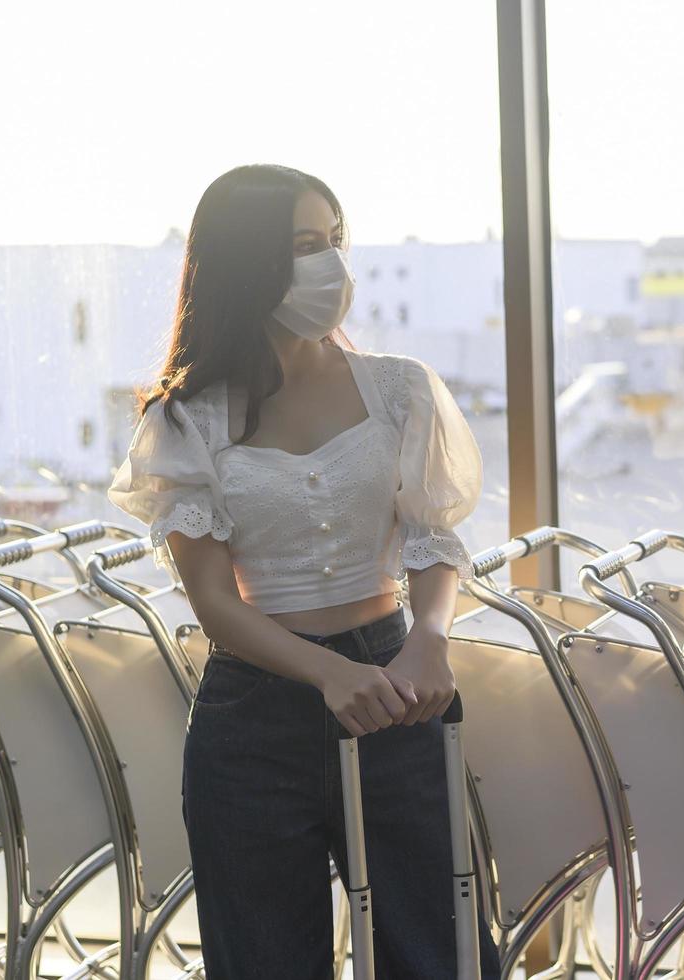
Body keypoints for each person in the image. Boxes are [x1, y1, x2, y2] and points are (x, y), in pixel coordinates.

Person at [107, 163, 502, 979]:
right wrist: (326, 674)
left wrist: (428, 641)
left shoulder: (401, 390)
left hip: (396, 691)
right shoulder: (185, 417)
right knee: (263, 962)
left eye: (334, 242)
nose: (330, 266)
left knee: (439, 952)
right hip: (253, 717)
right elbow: (214, 602)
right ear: (247, 263)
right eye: (302, 246)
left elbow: (431, 540)